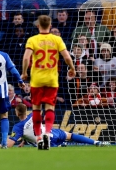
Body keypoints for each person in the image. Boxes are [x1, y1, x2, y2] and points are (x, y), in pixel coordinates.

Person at [21, 15, 76, 150]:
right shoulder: (56, 39)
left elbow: (26, 58)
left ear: (38, 25)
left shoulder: (32, 40)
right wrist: (72, 68)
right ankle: (47, 133)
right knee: (50, 108)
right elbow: (67, 57)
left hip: (37, 80)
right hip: (52, 79)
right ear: (50, 26)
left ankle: (39, 137)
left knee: (36, 109)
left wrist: (24, 72)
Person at [6, 103, 110, 148]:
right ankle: (96, 142)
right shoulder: (33, 115)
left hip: (45, 142)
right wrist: (24, 141)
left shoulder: (18, 127)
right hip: (51, 133)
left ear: (17, 113)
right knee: (70, 135)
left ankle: (60, 145)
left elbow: (9, 144)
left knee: (41, 143)